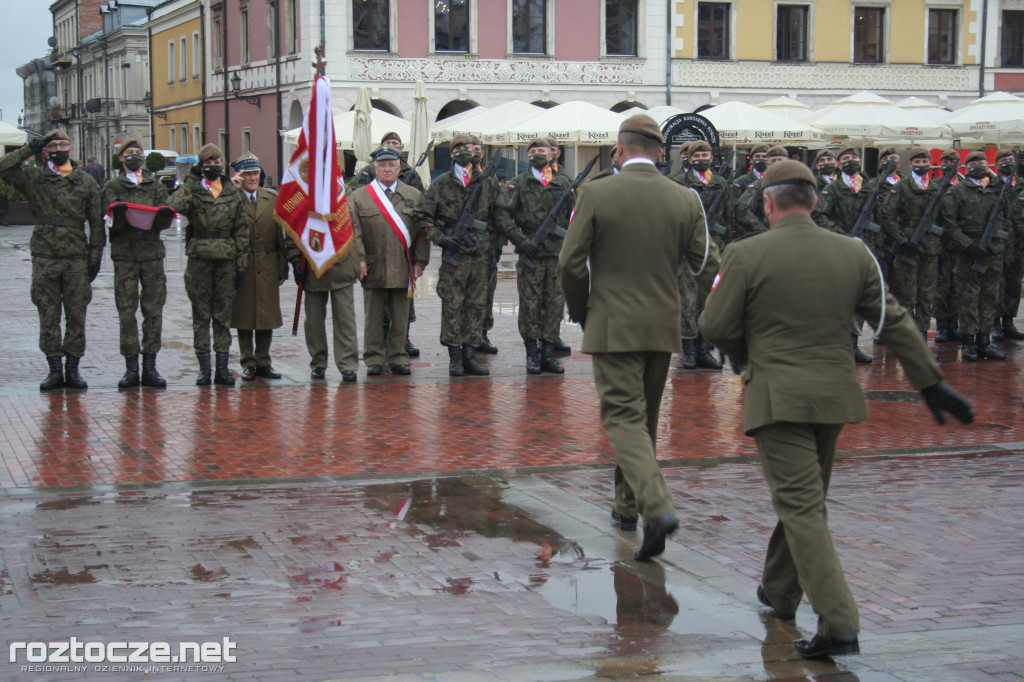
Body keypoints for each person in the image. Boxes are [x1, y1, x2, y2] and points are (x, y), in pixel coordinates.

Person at [699, 159, 973, 661]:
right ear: (815, 199)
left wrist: (748, 355)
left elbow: (713, 324)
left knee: (802, 506)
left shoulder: (743, 253)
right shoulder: (853, 252)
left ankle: (839, 621)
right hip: (833, 397)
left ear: (767, 202)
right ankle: (780, 591)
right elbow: (892, 319)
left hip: (778, 397)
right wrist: (930, 382)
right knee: (804, 499)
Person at [558, 113, 720, 561]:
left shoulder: (594, 192)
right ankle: (626, 505)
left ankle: (656, 506)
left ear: (620, 149)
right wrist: (730, 321)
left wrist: (580, 309)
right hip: (662, 326)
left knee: (623, 420)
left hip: (612, 324)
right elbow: (708, 266)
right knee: (643, 420)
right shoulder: (685, 198)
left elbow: (570, 264)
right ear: (661, 153)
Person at [0, 129, 104, 390]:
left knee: (76, 314)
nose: (59, 148)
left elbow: (96, 222)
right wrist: (28, 150)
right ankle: (54, 369)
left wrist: (96, 256)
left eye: (63, 144)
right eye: (53, 145)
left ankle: (73, 368)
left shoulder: (85, 181)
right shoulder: (36, 177)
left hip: (77, 256)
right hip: (45, 254)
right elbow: (3, 168)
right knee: (48, 312)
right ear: (46, 151)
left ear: (71, 148)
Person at [414, 134, 516, 377]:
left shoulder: (488, 183)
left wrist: (495, 243)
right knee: (453, 305)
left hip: (480, 256)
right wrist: (441, 238)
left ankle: (470, 354)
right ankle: (455, 357)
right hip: (455, 254)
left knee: (477, 305)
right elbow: (422, 215)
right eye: (459, 148)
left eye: (469, 147)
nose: (465, 151)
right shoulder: (441, 184)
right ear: (451, 154)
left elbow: (499, 216)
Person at [168, 143, 249, 386]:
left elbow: (241, 230)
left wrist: (241, 266)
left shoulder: (231, 190)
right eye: (208, 162)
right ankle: (204, 369)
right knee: (201, 315)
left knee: (222, 318)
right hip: (200, 260)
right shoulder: (194, 189)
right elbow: (173, 205)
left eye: (217, 161)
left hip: (226, 260)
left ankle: (222, 369)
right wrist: (192, 179)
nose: (213, 166)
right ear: (201, 166)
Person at [349, 146, 428, 376]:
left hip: (404, 265)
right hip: (373, 264)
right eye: (382, 165)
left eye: (391, 165)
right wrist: (360, 259)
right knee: (373, 316)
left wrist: (420, 262)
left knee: (400, 316)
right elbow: (355, 232)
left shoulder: (413, 194)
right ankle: (373, 358)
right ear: (375, 168)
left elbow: (422, 232)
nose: (386, 169)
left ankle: (397, 357)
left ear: (398, 167)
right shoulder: (360, 196)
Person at [102, 137, 174, 388]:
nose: (135, 156)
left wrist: (164, 217)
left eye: (138, 152)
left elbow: (163, 220)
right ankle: (131, 367)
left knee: (153, 311)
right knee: (126, 312)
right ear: (121, 158)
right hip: (125, 254)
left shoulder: (155, 185)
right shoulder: (113, 185)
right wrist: (119, 214)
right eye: (129, 153)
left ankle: (150, 367)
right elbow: (112, 221)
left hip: (152, 253)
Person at [498, 137, 573, 375]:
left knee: (554, 305)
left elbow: (576, 215)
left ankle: (548, 353)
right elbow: (502, 215)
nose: (538, 154)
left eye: (542, 151)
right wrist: (520, 241)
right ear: (527, 156)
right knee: (530, 306)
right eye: (533, 151)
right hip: (531, 252)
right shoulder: (518, 183)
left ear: (552, 155)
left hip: (556, 254)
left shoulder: (564, 183)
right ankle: (532, 354)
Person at [812, 145, 888, 364]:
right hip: (839, 249)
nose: (850, 161)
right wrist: (843, 235)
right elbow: (819, 216)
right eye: (845, 158)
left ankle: (853, 345)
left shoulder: (868, 188)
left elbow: (879, 218)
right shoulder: (832, 189)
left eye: (854, 157)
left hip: (865, 250)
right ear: (838, 163)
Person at [939, 150, 1012, 361]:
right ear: (966, 167)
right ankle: (969, 341)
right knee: (969, 299)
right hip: (968, 254)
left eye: (982, 162)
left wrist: (1006, 251)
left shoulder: (999, 191)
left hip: (994, 253)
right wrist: (967, 244)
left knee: (990, 298)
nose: (978, 165)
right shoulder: (957, 192)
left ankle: (984, 341)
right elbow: (949, 224)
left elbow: (1007, 223)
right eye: (973, 163)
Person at [287, 210, 366, 384]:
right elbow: (293, 229)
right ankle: (318, 363)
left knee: (345, 319)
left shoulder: (345, 195)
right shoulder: (305, 196)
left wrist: (361, 258)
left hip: (343, 266)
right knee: (314, 320)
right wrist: (295, 261)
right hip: (313, 266)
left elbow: (357, 231)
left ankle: (347, 365)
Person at [228, 153, 288, 381]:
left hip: (267, 262)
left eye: (255, 173)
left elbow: (279, 236)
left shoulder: (270, 198)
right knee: (244, 315)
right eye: (247, 174)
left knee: (266, 315)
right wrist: (232, 190)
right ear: (239, 177)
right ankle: (248, 362)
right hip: (242, 263)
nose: (252, 178)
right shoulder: (232, 197)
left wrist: (283, 267)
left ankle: (264, 361)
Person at [670, 140, 729, 370]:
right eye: (696, 155)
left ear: (712, 158)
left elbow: (730, 218)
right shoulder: (678, 182)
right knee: (688, 301)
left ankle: (704, 348)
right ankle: (690, 349)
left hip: (714, 247)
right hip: (687, 250)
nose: (701, 158)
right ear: (688, 158)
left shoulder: (721, 183)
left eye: (705, 154)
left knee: (708, 300)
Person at [884, 148, 942, 344]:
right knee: (907, 295)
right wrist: (902, 240)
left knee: (926, 296)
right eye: (916, 162)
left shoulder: (935, 188)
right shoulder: (901, 187)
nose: (921, 165)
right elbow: (888, 217)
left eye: (924, 161)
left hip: (930, 250)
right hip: (907, 249)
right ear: (910, 164)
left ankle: (923, 335)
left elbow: (945, 219)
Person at [990, 149, 1024, 341]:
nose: (1008, 162)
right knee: (997, 284)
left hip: (1019, 243)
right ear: (996, 164)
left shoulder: (1021, 185)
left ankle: (1009, 322)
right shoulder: (992, 186)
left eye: (1011, 159)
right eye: (1004, 160)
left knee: (1014, 284)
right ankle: (995, 324)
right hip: (999, 244)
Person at [933, 149, 964, 343]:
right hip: (941, 242)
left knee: (958, 285)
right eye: (944, 160)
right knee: (941, 287)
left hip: (961, 243)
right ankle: (942, 325)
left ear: (959, 164)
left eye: (952, 160)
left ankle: (954, 323)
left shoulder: (966, 185)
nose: (948, 164)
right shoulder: (934, 185)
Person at [735, 145, 788, 240]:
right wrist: (761, 229)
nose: (777, 163)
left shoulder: (797, 185)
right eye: (773, 161)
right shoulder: (758, 185)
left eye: (780, 160)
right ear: (767, 164)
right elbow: (742, 209)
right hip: (767, 237)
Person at [346, 132, 426, 194]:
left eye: (394, 143)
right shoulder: (370, 169)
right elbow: (352, 190)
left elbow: (420, 197)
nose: (391, 145)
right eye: (387, 143)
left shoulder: (410, 173)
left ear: (401, 148)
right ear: (381, 147)